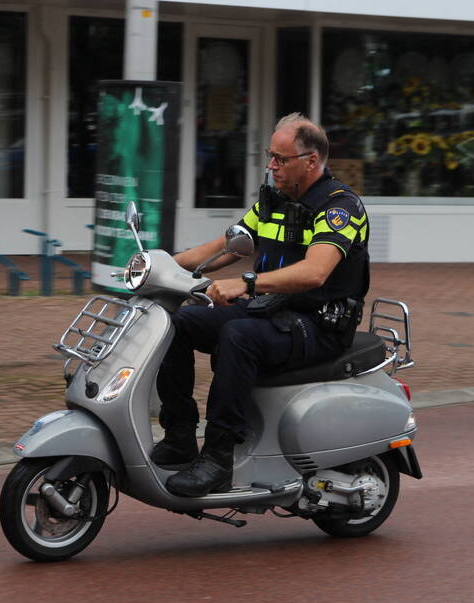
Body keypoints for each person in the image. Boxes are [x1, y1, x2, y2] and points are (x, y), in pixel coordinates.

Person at [156, 112, 371, 497]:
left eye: (280, 159)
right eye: (269, 156)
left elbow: (315, 272)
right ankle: (179, 435)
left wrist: (247, 283)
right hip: (274, 311)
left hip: (318, 324)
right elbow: (225, 246)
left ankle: (219, 458)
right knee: (177, 322)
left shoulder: (340, 207)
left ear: (310, 161)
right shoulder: (274, 202)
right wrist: (158, 266)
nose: (271, 166)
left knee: (239, 335)